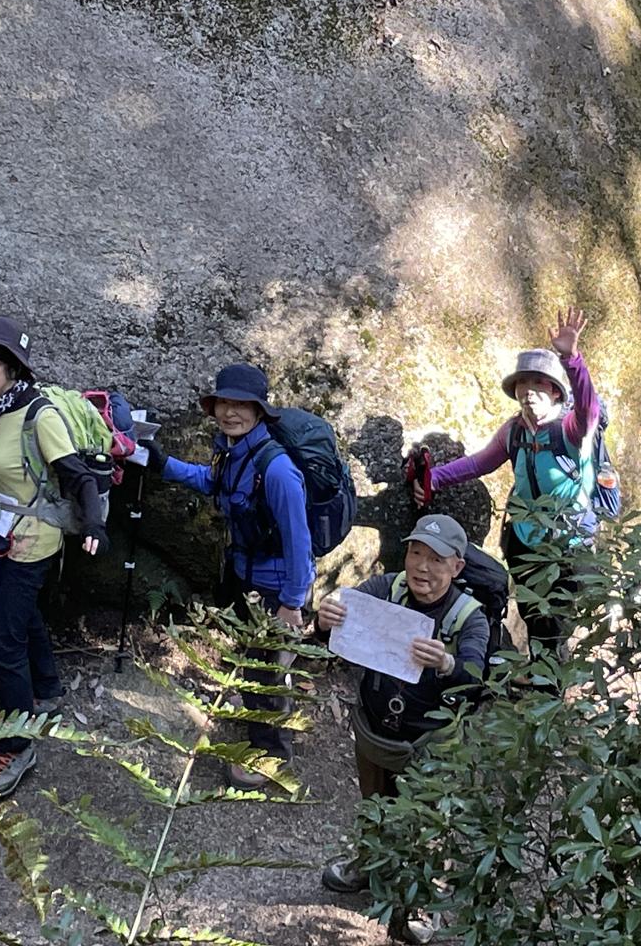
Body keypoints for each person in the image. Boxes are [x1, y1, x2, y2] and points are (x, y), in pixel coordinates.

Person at [0, 316, 106, 798]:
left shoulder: (39, 414)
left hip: (31, 544)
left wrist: (94, 525)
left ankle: (18, 745)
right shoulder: (3, 409)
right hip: (6, 533)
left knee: (2, 644)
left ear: (12, 369)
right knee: (23, 614)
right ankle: (47, 690)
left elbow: (77, 474)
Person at [315, 513, 488, 943]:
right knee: (373, 804)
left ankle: (425, 896)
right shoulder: (387, 589)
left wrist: (446, 663)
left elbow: (475, 675)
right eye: (415, 553)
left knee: (429, 821)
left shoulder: (469, 617)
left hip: (432, 740)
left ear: (457, 567)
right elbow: (344, 612)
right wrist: (326, 617)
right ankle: (369, 864)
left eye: (436, 559)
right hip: (375, 728)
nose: (421, 567)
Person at [407, 306, 614, 657]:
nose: (529, 391)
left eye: (539, 383)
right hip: (524, 538)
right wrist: (433, 479)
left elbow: (588, 411)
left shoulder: (569, 430)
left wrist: (572, 360)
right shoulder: (514, 430)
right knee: (532, 610)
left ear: (556, 392)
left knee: (556, 617)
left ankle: (550, 674)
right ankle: (538, 667)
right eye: (523, 383)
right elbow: (479, 463)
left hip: (569, 542)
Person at [140, 363, 311, 788]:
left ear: (259, 411)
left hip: (273, 586)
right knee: (252, 659)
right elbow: (211, 481)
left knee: (263, 669)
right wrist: (162, 463)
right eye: (223, 403)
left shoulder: (277, 469)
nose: (230, 412)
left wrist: (292, 602)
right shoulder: (233, 452)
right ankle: (259, 698)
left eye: (241, 405)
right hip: (243, 575)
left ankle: (271, 751)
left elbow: (299, 541)